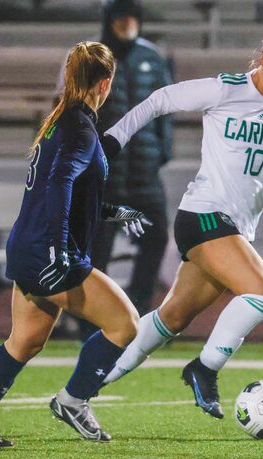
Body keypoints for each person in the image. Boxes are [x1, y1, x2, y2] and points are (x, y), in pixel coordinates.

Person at [98, 21, 263, 419]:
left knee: (172, 317)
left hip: (233, 228)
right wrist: (114, 139)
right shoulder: (226, 88)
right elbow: (160, 99)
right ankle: (204, 368)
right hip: (204, 214)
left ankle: (89, 383)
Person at [0, 42, 150, 447]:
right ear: (105, 83)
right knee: (125, 324)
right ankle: (73, 401)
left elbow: (68, 191)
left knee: (25, 341)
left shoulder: (63, 120)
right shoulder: (79, 126)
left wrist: (111, 211)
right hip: (48, 251)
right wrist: (59, 249)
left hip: (28, 245)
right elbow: (59, 185)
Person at [76, 0, 174, 340]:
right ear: (109, 20)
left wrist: (164, 151)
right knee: (97, 248)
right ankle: (91, 321)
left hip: (145, 175)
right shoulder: (90, 57)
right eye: (120, 17)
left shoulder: (153, 56)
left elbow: (166, 109)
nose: (127, 22)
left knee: (157, 236)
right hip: (105, 176)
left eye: (132, 16)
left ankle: (137, 310)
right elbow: (73, 110)